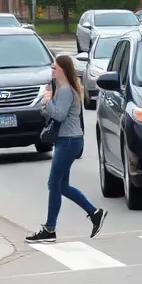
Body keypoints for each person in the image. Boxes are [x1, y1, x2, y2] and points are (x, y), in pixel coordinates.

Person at [26, 55, 107, 243]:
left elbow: (59, 115)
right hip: (68, 140)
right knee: (61, 185)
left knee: (53, 184)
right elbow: (49, 114)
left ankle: (50, 229)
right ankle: (94, 213)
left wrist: (48, 102)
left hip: (68, 140)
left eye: (55, 67)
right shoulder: (62, 90)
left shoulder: (65, 91)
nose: (52, 69)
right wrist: (46, 103)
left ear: (63, 69)